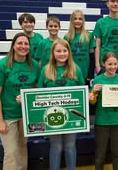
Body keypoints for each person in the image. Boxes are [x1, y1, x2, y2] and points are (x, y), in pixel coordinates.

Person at [38, 38, 85, 170]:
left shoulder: (76, 69)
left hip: (71, 115)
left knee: (70, 145)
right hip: (52, 116)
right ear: (53, 53)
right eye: (58, 51)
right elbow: (38, 95)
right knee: (56, 146)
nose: (62, 53)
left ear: (69, 52)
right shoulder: (45, 70)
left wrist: (88, 95)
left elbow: (82, 91)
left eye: (65, 50)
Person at [89, 52, 118, 170]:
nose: (113, 67)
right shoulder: (98, 79)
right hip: (102, 121)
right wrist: (93, 92)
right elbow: (92, 102)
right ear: (104, 64)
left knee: (117, 153)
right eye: (110, 64)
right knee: (100, 154)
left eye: (115, 64)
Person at [0, 32, 40, 170]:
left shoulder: (34, 65)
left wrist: (27, 97)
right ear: (13, 46)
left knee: (22, 148)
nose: (23, 46)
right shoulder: (3, 65)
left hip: (26, 115)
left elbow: (36, 90)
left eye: (26, 44)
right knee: (11, 152)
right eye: (20, 43)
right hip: (8, 115)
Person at [64, 10, 96, 86]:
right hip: (72, 73)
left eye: (80, 19)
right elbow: (65, 58)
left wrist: (90, 73)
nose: (77, 21)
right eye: (75, 19)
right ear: (71, 21)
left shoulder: (89, 35)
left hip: (86, 73)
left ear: (83, 21)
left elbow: (92, 56)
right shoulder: (67, 37)